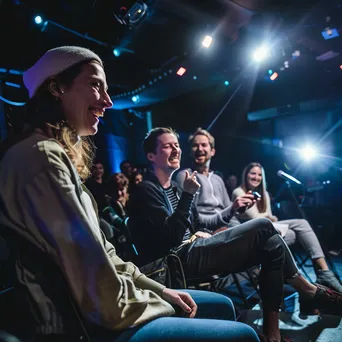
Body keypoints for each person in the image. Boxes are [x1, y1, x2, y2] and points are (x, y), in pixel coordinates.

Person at [0, 46, 260, 342]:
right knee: (243, 335)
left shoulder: (49, 154)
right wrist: (157, 303)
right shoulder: (40, 156)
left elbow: (104, 252)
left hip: (105, 303)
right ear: (57, 87)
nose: (108, 101)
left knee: (223, 305)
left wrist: (158, 289)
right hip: (82, 323)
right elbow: (95, 277)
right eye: (96, 84)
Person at [128, 126, 342, 342]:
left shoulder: (175, 189)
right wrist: (188, 196)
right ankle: (307, 291)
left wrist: (205, 225)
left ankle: (272, 334)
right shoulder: (147, 190)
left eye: (176, 144)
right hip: (177, 261)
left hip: (194, 248)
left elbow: (199, 223)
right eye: (167, 146)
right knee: (263, 226)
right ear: (151, 156)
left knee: (272, 244)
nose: (175, 149)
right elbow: (171, 238)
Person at [232, 162, 342, 293]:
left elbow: (269, 218)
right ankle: (322, 274)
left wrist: (268, 217)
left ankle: (315, 277)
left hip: (266, 230)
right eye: (253, 173)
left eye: (259, 174)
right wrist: (268, 216)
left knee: (296, 232)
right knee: (301, 224)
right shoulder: (238, 192)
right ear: (246, 175)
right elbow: (257, 219)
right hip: (252, 235)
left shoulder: (264, 193)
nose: (256, 177)